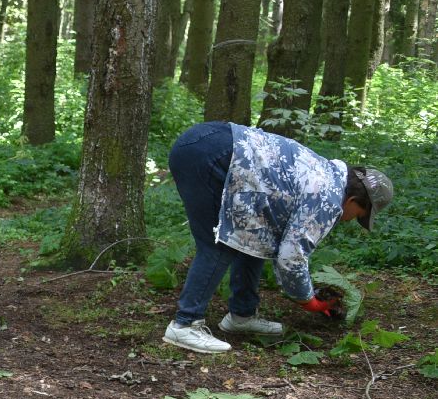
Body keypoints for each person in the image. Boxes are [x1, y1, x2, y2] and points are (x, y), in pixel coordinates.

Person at [162, 120, 393, 355]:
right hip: (212, 153)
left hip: (208, 141)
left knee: (255, 237)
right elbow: (291, 258)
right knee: (218, 245)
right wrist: (309, 301)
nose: (351, 219)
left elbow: (272, 242)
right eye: (359, 216)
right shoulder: (327, 198)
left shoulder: (326, 175)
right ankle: (185, 323)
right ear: (353, 201)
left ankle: (242, 315)